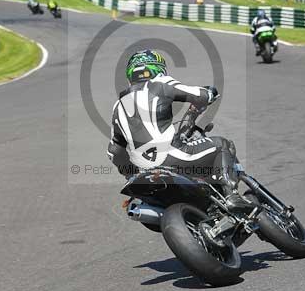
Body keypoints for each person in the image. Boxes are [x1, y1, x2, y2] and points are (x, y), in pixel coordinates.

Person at [107, 50, 252, 211]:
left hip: (144, 171)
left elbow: (114, 151)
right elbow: (200, 95)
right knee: (222, 145)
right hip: (172, 157)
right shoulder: (160, 83)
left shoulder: (117, 107)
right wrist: (210, 93)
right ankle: (232, 196)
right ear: (157, 68)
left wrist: (131, 175)